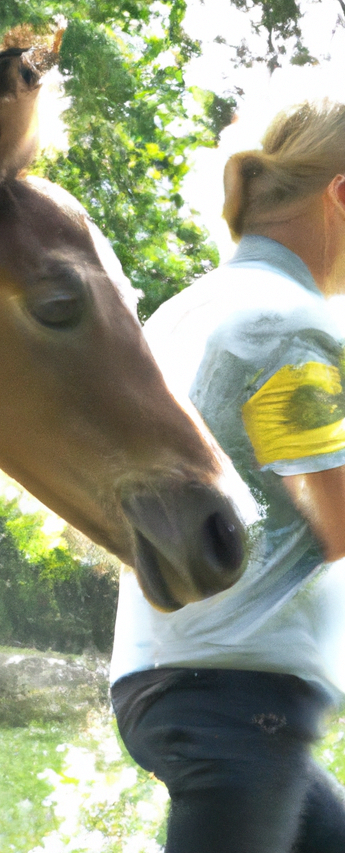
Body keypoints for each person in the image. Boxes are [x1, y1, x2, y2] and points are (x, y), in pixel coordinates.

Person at [110, 99, 345, 853]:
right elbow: (339, 520)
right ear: (341, 195)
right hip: (240, 697)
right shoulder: (285, 324)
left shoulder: (185, 311)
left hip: (173, 677)